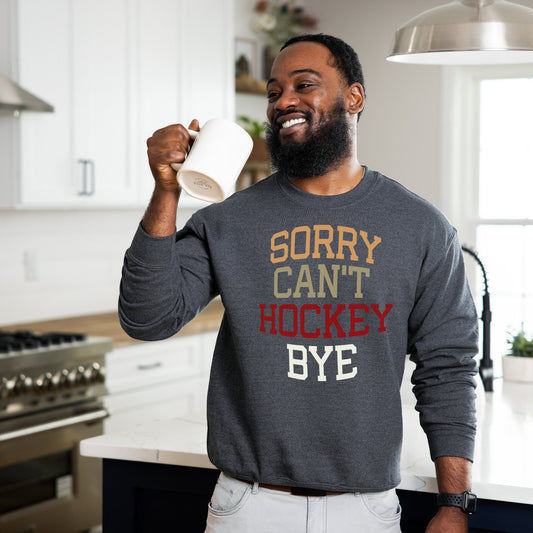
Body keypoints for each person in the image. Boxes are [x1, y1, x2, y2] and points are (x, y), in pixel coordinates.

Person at [119, 34, 478, 532]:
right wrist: (165, 191)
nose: (283, 100)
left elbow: (448, 368)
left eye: (303, 85)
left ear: (354, 97)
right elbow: (147, 317)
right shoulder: (229, 220)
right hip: (247, 506)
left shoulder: (420, 227)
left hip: (365, 509)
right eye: (273, 92)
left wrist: (454, 502)